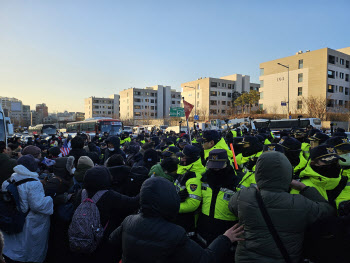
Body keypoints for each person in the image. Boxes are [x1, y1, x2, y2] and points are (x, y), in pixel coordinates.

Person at [229, 151, 334, 263]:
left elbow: (232, 207)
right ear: (288, 174)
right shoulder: (300, 204)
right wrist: (304, 188)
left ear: (258, 173)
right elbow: (327, 210)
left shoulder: (244, 196)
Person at [109, 177, 244, 263]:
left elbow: (112, 240)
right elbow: (205, 259)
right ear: (169, 199)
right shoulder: (174, 234)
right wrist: (225, 239)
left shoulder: (129, 221)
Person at [71, 166, 139, 263]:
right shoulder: (109, 196)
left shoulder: (80, 193)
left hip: (79, 240)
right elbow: (132, 204)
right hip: (103, 242)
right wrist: (145, 188)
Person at [2, 155, 53, 263]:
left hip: (13, 219)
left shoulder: (8, 181)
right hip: (30, 224)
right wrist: (50, 198)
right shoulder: (34, 183)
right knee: (29, 250)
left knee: (14, 247)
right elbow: (38, 205)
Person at [197, 149, 241, 248]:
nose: (216, 169)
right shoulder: (204, 179)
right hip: (204, 226)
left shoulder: (236, 182)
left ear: (227, 163)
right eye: (213, 166)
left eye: (219, 166)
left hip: (227, 228)